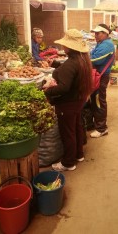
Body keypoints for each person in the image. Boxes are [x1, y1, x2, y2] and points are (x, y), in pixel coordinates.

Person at [44, 29, 93, 171]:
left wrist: (47, 91)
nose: (62, 47)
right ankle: (78, 154)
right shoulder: (82, 59)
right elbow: (68, 70)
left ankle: (68, 163)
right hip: (77, 101)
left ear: (68, 47)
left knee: (68, 133)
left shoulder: (72, 63)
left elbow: (64, 87)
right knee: (76, 128)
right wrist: (54, 64)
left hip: (67, 104)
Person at [89, 24, 115, 138]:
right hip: (98, 75)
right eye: (95, 33)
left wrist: (90, 56)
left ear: (105, 34)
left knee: (99, 101)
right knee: (94, 100)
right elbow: (92, 55)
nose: (95, 35)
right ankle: (95, 124)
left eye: (98, 33)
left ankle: (101, 128)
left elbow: (94, 59)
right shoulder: (101, 43)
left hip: (101, 76)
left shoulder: (107, 45)